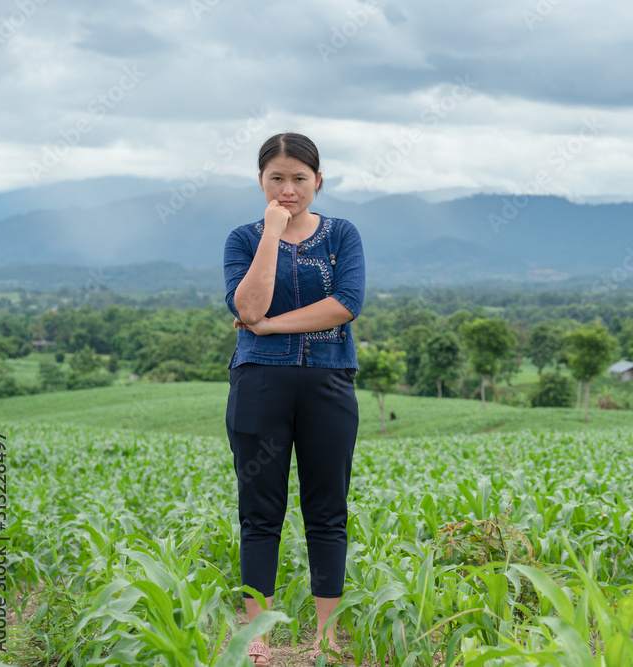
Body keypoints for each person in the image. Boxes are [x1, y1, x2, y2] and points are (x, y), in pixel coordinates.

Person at [222, 132, 365, 664]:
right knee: (260, 513)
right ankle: (255, 634)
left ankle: (326, 634)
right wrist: (272, 233)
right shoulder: (242, 238)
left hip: (329, 382)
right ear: (260, 182)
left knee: (327, 510)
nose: (288, 189)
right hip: (259, 382)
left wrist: (266, 327)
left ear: (318, 181)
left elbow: (345, 304)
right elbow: (246, 303)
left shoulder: (341, 234)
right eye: (276, 179)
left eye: (299, 179)